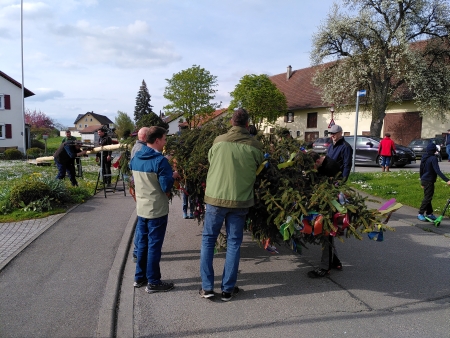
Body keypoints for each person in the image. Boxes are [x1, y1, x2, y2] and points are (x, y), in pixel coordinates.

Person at [199, 108, 264, 301]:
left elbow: (211, 160)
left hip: (215, 199)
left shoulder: (218, 141)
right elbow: (260, 167)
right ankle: (228, 289)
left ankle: (207, 287)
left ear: (231, 123)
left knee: (208, 240)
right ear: (247, 124)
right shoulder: (255, 145)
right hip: (240, 200)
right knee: (234, 243)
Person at [129, 126, 180, 293]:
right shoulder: (160, 161)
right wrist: (173, 176)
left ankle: (139, 278)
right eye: (164, 139)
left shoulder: (136, 158)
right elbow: (165, 186)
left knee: (142, 244)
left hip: (142, 208)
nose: (165, 142)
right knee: (154, 246)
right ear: (157, 140)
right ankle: (154, 282)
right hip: (157, 210)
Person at [307, 124, 352, 279]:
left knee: (326, 230)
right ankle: (335, 261)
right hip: (326, 195)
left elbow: (345, 167)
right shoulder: (329, 150)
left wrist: (341, 185)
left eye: (335, 133)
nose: (332, 135)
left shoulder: (344, 149)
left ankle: (325, 268)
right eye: (331, 133)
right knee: (328, 232)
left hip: (332, 198)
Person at [417, 143, 450, 222]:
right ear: (435, 150)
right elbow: (437, 171)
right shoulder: (433, 158)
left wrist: (421, 180)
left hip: (424, 180)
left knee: (428, 197)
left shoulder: (424, 157)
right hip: (429, 181)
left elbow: (421, 169)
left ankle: (429, 213)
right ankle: (420, 213)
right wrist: (447, 180)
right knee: (427, 198)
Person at [130, 127, 149, 263]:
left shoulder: (136, 147)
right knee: (142, 220)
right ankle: (137, 252)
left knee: (142, 219)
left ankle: (138, 251)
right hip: (141, 188)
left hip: (137, 186)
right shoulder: (141, 150)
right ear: (145, 137)